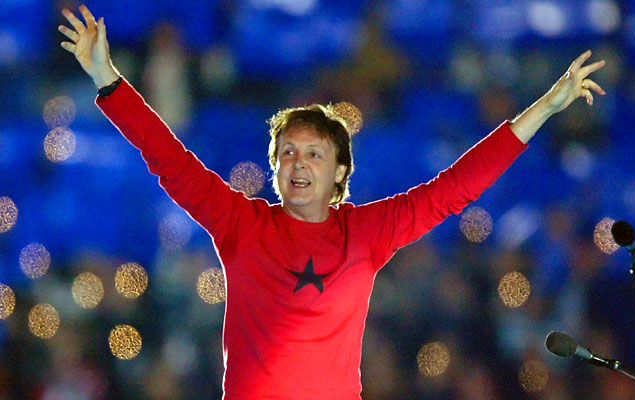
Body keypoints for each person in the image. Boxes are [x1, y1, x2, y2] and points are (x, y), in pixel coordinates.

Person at [58, 5, 606, 399]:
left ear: (340, 171)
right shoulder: (239, 222)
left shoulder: (366, 232)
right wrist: (106, 78)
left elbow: (455, 188)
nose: (298, 164)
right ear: (274, 169)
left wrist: (544, 108)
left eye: (314, 155)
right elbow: (169, 159)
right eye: (288, 153)